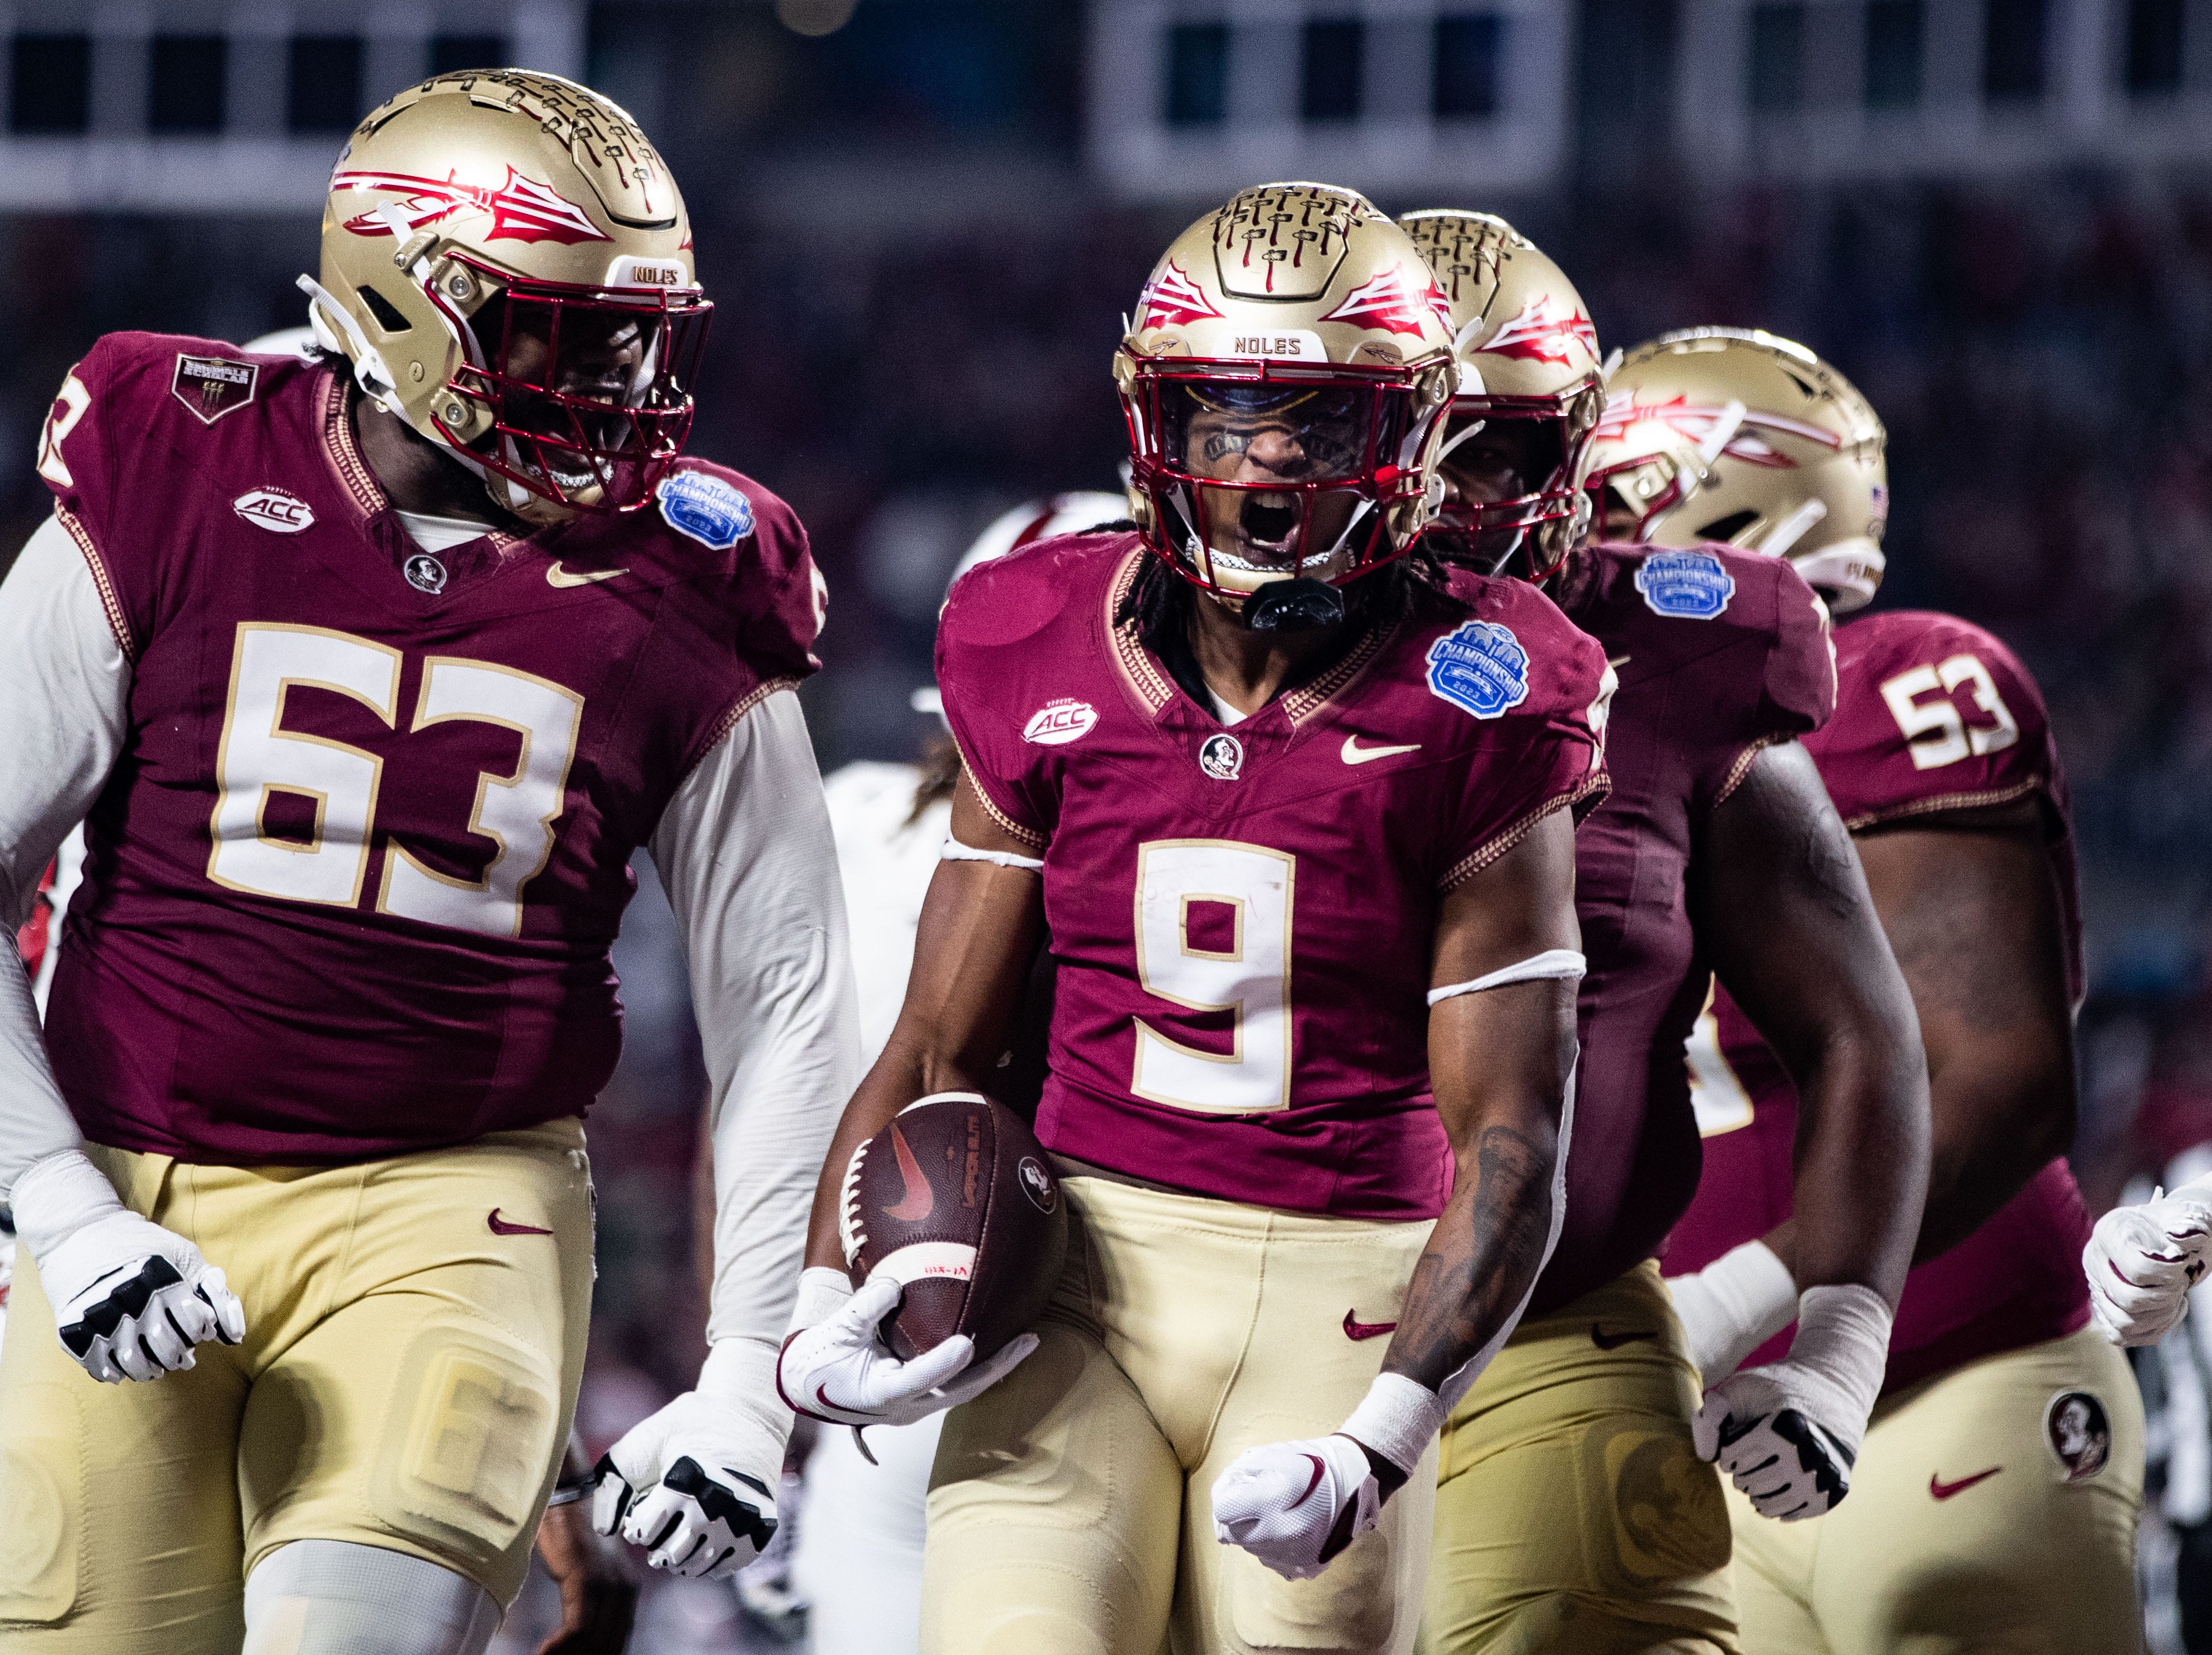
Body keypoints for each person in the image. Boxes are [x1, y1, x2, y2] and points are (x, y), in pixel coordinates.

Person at [0, 70, 856, 1654]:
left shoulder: (692, 564)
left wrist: (747, 1377)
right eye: (559, 329)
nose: (617, 380)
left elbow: (788, 999)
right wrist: (62, 1202)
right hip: (140, 1186)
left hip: (457, 1203)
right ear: (405, 303)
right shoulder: (177, 456)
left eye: (633, 333)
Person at [778, 182, 1611, 1655]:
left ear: (1415, 433)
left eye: (1323, 420)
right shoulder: (1030, 631)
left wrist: (1387, 1429)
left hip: (1343, 1289)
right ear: (1156, 422)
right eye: (1224, 413)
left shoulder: (1489, 687)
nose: (1270, 460)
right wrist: (823, 1298)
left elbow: (1511, 1137)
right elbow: (934, 1045)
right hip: (1077, 1271)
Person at [1396, 215, 1930, 1655]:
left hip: (1553, 1329)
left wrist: (1833, 1346)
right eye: (1411, 434)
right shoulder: (1161, 646)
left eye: (1504, 446)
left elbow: (1859, 1026)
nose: (1453, 490)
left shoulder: (1687, 656)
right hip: (1211, 1324)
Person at [1623, 328, 2146, 1653]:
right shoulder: (1581, 730)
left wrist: (1737, 1298)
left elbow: (1996, 1079)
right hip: (1684, 1427)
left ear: (1720, 502)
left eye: (1605, 494)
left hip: (1941, 1378)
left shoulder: (1894, 680)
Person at [779, 489, 1125, 1655]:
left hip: (874, 1321)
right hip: (1078, 1328)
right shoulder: (1127, 838)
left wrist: (753, 1388)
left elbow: (769, 1113)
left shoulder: (850, 816)